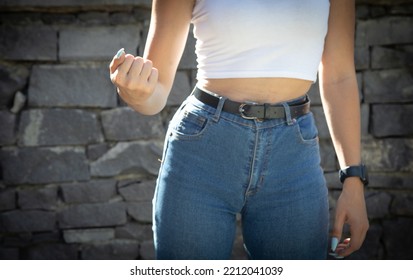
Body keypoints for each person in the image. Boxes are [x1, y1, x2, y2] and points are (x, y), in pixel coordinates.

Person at [109, 0, 369, 260]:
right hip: (202, 149)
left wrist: (353, 179)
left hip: (293, 156)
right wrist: (135, 93)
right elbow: (156, 92)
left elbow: (340, 77)